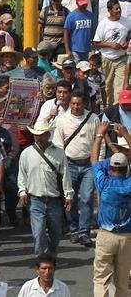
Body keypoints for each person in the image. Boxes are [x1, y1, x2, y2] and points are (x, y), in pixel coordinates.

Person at [18, 121, 74, 257]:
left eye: (42, 135)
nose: (39, 138)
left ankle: (51, 252)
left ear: (48, 134)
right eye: (36, 135)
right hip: (35, 200)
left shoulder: (59, 153)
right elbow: (22, 175)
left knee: (56, 233)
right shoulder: (26, 153)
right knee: (38, 233)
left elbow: (66, 175)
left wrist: (69, 195)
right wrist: (22, 191)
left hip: (54, 200)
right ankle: (41, 260)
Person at [51, 90, 100, 247]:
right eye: (73, 103)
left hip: (88, 165)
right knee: (69, 199)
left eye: (79, 103)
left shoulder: (93, 119)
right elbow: (58, 144)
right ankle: (74, 229)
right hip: (69, 164)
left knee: (86, 199)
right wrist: (61, 165)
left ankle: (84, 232)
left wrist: (97, 162)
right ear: (70, 103)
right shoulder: (62, 120)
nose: (76, 106)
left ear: (84, 103)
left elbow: (99, 142)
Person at [90, 122, 131, 297]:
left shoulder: (104, 183)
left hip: (106, 235)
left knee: (101, 279)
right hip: (126, 238)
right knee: (122, 282)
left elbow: (93, 160)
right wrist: (126, 134)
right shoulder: (129, 184)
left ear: (111, 167)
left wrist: (100, 135)